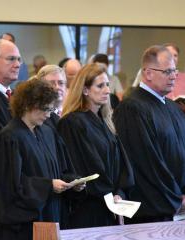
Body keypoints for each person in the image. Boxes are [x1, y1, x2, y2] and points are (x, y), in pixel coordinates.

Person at [0, 79, 84, 240]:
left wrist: (72, 182)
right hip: (24, 227)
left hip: (51, 216)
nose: (48, 114)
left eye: (51, 109)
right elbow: (7, 186)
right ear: (27, 105)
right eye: (45, 109)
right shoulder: (9, 138)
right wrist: (48, 186)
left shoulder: (47, 133)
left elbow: (60, 170)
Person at [113, 45, 185, 223]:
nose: (173, 76)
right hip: (152, 208)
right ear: (148, 73)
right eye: (167, 71)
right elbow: (146, 161)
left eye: (174, 71)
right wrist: (176, 197)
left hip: (177, 205)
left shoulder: (173, 108)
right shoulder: (132, 108)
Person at [57, 63, 134, 228]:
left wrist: (119, 193)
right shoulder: (72, 123)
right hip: (88, 209)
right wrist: (107, 193)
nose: (107, 90)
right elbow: (80, 165)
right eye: (100, 86)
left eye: (107, 85)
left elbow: (121, 163)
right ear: (85, 90)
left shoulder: (105, 121)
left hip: (111, 206)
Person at [36, 65, 67, 129]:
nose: (57, 87)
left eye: (61, 83)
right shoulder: (39, 118)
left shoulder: (72, 112)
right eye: (51, 83)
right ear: (40, 87)